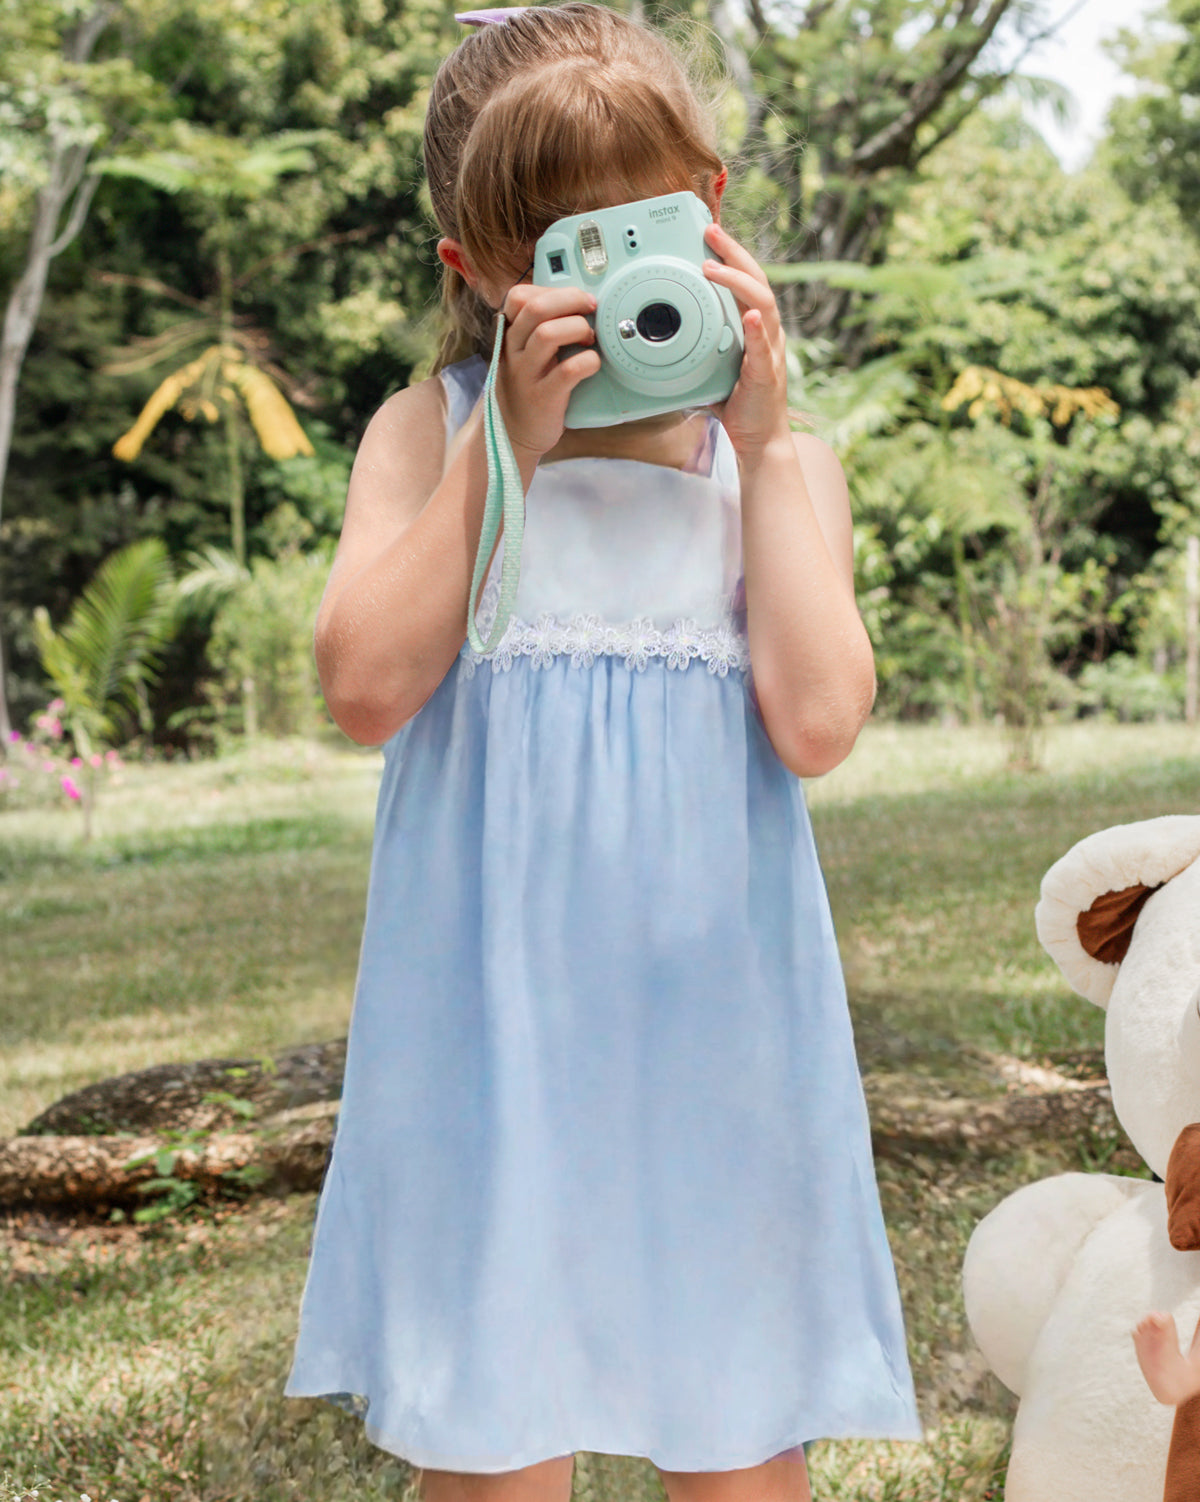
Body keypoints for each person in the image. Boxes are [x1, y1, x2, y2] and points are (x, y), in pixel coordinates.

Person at [283, 6, 921, 1500]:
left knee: (739, 1430)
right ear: (477, 277)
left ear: (707, 215)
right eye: (564, 255)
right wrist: (498, 448)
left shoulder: (776, 468)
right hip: (491, 1042)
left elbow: (818, 722)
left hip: (722, 1040)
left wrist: (763, 449)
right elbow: (366, 687)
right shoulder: (428, 436)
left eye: (646, 228)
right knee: (497, 1439)